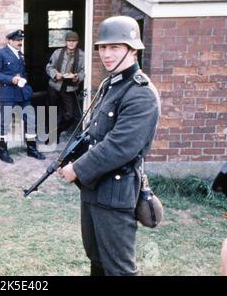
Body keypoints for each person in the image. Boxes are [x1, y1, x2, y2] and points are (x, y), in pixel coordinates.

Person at [57, 16, 161, 276]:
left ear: (133, 49)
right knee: (97, 260)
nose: (106, 54)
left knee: (119, 268)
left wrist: (77, 169)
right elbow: (95, 134)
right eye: (103, 47)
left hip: (116, 192)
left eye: (114, 47)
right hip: (93, 189)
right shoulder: (110, 84)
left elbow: (120, 146)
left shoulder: (141, 92)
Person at [0, 29, 45, 163]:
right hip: (8, 94)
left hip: (22, 94)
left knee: (31, 119)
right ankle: (3, 152)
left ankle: (31, 149)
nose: (19, 42)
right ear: (9, 40)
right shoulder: (0, 53)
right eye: (16, 40)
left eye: (21, 40)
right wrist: (11, 79)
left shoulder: (20, 55)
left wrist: (24, 82)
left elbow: (24, 73)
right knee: (5, 123)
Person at [45, 31, 85, 143]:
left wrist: (77, 77)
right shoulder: (58, 53)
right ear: (66, 42)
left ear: (77, 42)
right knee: (52, 111)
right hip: (54, 86)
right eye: (69, 41)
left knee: (70, 115)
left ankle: (57, 131)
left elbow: (83, 72)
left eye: (74, 41)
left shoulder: (82, 55)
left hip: (70, 88)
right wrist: (55, 74)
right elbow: (49, 67)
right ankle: (52, 136)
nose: (71, 43)